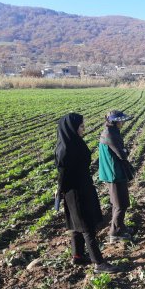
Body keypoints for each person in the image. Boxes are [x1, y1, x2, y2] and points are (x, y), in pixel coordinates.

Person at [55, 113, 118, 273]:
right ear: (72, 128)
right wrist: (60, 190)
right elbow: (63, 174)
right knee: (86, 226)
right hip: (75, 192)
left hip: (83, 187)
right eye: (81, 127)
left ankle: (78, 255)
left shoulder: (74, 143)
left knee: (77, 225)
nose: (84, 129)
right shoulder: (65, 149)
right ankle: (99, 263)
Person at [99, 110, 135, 243]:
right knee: (120, 204)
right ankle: (115, 233)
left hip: (114, 172)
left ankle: (120, 226)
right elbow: (122, 154)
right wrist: (126, 150)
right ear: (115, 121)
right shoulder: (110, 135)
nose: (123, 122)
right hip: (114, 173)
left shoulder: (110, 132)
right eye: (121, 120)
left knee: (119, 203)